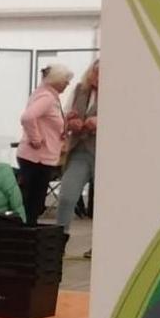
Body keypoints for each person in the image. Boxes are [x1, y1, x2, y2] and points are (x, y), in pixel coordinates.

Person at [17, 63, 70, 224]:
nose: (67, 84)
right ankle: (27, 235)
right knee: (33, 202)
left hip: (39, 157)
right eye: (65, 80)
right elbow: (27, 117)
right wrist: (36, 139)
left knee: (33, 201)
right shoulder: (47, 98)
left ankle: (27, 231)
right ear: (56, 80)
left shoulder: (45, 95)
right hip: (37, 158)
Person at [55, 59, 99, 245]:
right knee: (66, 195)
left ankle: (101, 249)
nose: (97, 76)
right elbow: (64, 116)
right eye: (95, 72)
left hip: (105, 154)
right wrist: (70, 121)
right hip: (79, 150)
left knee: (108, 207)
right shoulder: (80, 90)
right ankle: (58, 241)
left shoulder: (120, 92)